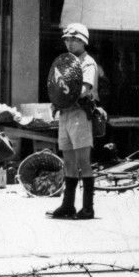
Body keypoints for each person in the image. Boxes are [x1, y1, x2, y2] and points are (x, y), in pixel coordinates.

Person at [47, 22, 100, 220]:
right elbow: (57, 85)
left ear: (83, 41)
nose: (70, 43)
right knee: (68, 161)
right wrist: (56, 102)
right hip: (65, 114)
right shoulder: (65, 62)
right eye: (67, 39)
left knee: (83, 162)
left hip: (79, 113)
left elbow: (85, 89)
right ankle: (68, 205)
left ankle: (88, 207)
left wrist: (63, 99)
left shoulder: (88, 63)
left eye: (74, 39)